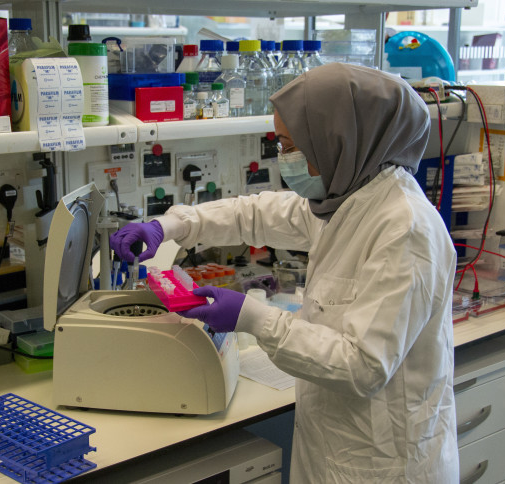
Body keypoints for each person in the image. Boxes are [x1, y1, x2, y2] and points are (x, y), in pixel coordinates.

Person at [110, 63, 459, 483]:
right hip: (335, 447)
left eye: (291, 145)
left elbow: (363, 365)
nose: (284, 158)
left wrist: (252, 317)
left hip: (385, 465)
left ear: (337, 141)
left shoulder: (405, 228)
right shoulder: (347, 196)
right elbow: (255, 213)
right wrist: (171, 226)